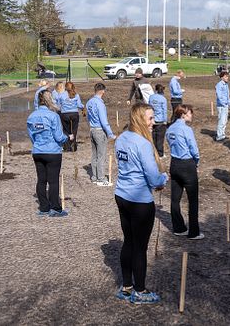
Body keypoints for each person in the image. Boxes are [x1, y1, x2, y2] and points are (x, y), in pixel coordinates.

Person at [114, 102, 168, 305]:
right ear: (139, 119)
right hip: (140, 202)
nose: (153, 122)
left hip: (122, 196)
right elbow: (154, 179)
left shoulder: (121, 139)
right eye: (150, 118)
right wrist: (164, 178)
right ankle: (140, 290)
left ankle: (126, 287)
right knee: (139, 247)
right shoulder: (142, 144)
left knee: (128, 241)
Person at [27, 90, 71, 217]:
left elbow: (32, 136)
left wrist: (38, 144)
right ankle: (55, 209)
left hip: (38, 151)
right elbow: (58, 137)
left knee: (41, 180)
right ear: (49, 100)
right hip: (52, 152)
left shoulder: (31, 116)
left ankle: (44, 208)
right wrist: (67, 138)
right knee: (53, 181)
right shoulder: (53, 116)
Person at [166, 105, 203, 239]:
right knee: (192, 200)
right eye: (189, 113)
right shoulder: (186, 129)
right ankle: (194, 232)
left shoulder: (169, 129)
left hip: (174, 163)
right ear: (183, 114)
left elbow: (170, 144)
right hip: (187, 164)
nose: (191, 115)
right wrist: (196, 161)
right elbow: (194, 148)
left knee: (175, 199)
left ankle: (179, 227)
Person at [86, 83, 116, 186]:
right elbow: (104, 121)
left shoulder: (89, 102)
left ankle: (94, 177)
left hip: (92, 130)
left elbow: (88, 117)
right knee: (101, 155)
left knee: (94, 155)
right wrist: (111, 134)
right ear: (103, 91)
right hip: (99, 131)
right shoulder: (100, 104)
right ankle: (101, 178)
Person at [60, 82, 84, 152]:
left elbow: (58, 104)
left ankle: (67, 147)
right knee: (74, 130)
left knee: (65, 130)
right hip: (74, 114)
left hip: (65, 114)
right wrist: (83, 107)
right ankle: (73, 145)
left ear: (65, 87)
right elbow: (79, 105)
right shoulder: (76, 95)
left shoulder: (61, 95)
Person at [148, 84, 169, 157]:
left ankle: (153, 152)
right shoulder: (163, 99)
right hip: (160, 121)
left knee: (153, 137)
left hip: (152, 120)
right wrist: (165, 121)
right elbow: (164, 110)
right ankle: (160, 154)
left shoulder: (151, 97)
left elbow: (149, 108)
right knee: (160, 138)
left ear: (156, 90)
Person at [215, 72, 230, 141]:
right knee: (221, 121)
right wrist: (224, 104)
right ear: (222, 77)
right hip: (221, 106)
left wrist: (229, 103)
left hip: (225, 105)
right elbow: (219, 96)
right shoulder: (219, 85)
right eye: (226, 76)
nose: (227, 78)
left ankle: (222, 135)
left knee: (225, 121)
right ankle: (219, 136)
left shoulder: (226, 84)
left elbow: (227, 95)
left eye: (227, 76)